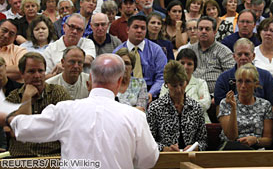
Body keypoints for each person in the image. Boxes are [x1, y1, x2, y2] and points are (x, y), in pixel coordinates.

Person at [7, 53, 159, 168]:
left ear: (90, 80)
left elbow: (23, 128)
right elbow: (149, 159)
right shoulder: (135, 117)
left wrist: (10, 119)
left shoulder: (66, 111)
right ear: (119, 82)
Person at [5, 52, 71, 157]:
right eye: (31, 71)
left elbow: (67, 126)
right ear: (22, 74)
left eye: (40, 71)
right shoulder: (13, 98)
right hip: (21, 159)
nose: (37, 76)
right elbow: (19, 130)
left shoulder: (58, 93)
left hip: (53, 157)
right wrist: (27, 97)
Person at [147, 60, 207, 151]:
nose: (179, 90)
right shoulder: (155, 108)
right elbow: (148, 142)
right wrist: (164, 149)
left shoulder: (196, 107)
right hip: (165, 160)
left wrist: (197, 147)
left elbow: (203, 141)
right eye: (174, 86)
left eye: (181, 84)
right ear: (166, 84)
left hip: (190, 157)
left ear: (186, 82)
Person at [218, 63, 273, 150]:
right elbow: (231, 137)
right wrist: (233, 108)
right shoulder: (226, 103)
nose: (243, 86)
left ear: (256, 84)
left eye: (247, 81)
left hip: (256, 149)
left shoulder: (265, 105)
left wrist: (255, 140)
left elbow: (268, 140)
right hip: (231, 149)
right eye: (240, 81)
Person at [113, 15, 167, 101]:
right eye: (136, 27)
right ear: (127, 30)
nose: (139, 31)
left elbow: (161, 77)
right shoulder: (117, 53)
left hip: (152, 94)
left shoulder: (156, 50)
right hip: (124, 95)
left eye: (143, 28)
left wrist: (151, 93)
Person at [215, 38, 273, 109]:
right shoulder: (223, 78)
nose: (243, 57)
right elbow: (219, 108)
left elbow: (272, 106)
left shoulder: (266, 77)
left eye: (246, 54)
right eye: (239, 54)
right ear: (234, 56)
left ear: (253, 56)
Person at [160, 49, 211, 123]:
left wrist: (180, 106)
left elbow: (206, 104)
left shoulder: (201, 83)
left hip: (199, 122)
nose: (185, 67)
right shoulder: (167, 84)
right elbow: (163, 105)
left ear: (195, 66)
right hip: (173, 122)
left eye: (189, 64)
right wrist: (193, 103)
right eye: (182, 63)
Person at [188, 16, 235, 95]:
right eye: (200, 29)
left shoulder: (224, 52)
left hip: (215, 96)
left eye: (207, 29)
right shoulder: (190, 50)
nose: (203, 31)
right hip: (191, 95)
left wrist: (217, 97)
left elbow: (231, 79)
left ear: (215, 32)